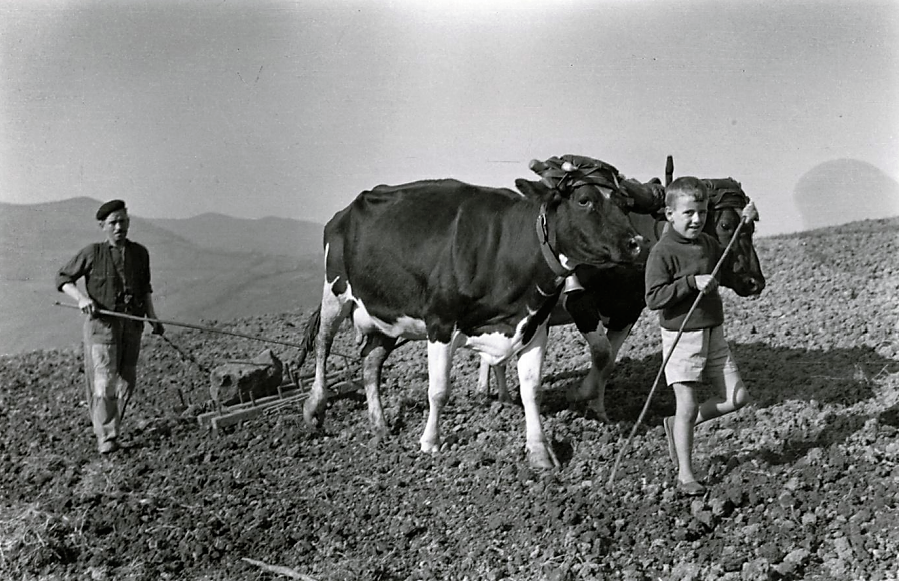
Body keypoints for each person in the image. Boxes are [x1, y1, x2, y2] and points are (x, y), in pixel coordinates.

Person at [644, 177, 758, 496]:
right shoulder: (662, 252)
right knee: (687, 405)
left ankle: (676, 425)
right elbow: (653, 297)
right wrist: (691, 283)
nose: (697, 219)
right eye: (689, 213)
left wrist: (743, 222)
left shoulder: (707, 244)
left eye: (703, 212)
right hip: (682, 337)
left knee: (737, 398)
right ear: (669, 214)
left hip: (714, 332)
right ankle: (685, 475)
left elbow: (723, 262)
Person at [55, 200, 164, 455]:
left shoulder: (140, 253)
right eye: (113, 222)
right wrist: (82, 299)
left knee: (126, 380)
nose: (119, 227)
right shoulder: (92, 253)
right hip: (102, 327)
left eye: (123, 222)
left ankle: (111, 427)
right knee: (103, 382)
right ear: (102, 226)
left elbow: (145, 289)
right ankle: (106, 436)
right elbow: (63, 278)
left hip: (132, 326)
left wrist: (152, 317)